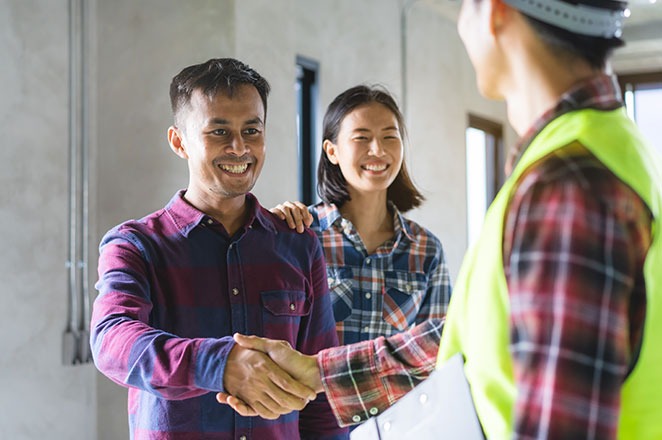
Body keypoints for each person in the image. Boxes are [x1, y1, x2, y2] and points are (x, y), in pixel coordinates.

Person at [218, 0, 662, 438]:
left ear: (496, 13)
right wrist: (321, 372)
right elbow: (464, 338)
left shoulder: (566, 184)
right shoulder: (600, 147)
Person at [90, 57, 348, 439]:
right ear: (180, 141)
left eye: (252, 130)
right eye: (219, 132)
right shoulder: (135, 245)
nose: (239, 148)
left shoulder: (298, 245)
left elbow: (321, 392)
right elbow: (112, 339)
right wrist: (219, 364)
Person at [272, 85, 452, 348]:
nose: (378, 150)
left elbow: (435, 351)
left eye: (390, 137)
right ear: (332, 151)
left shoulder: (426, 249)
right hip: (314, 390)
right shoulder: (301, 234)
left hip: (396, 392)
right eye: (361, 138)